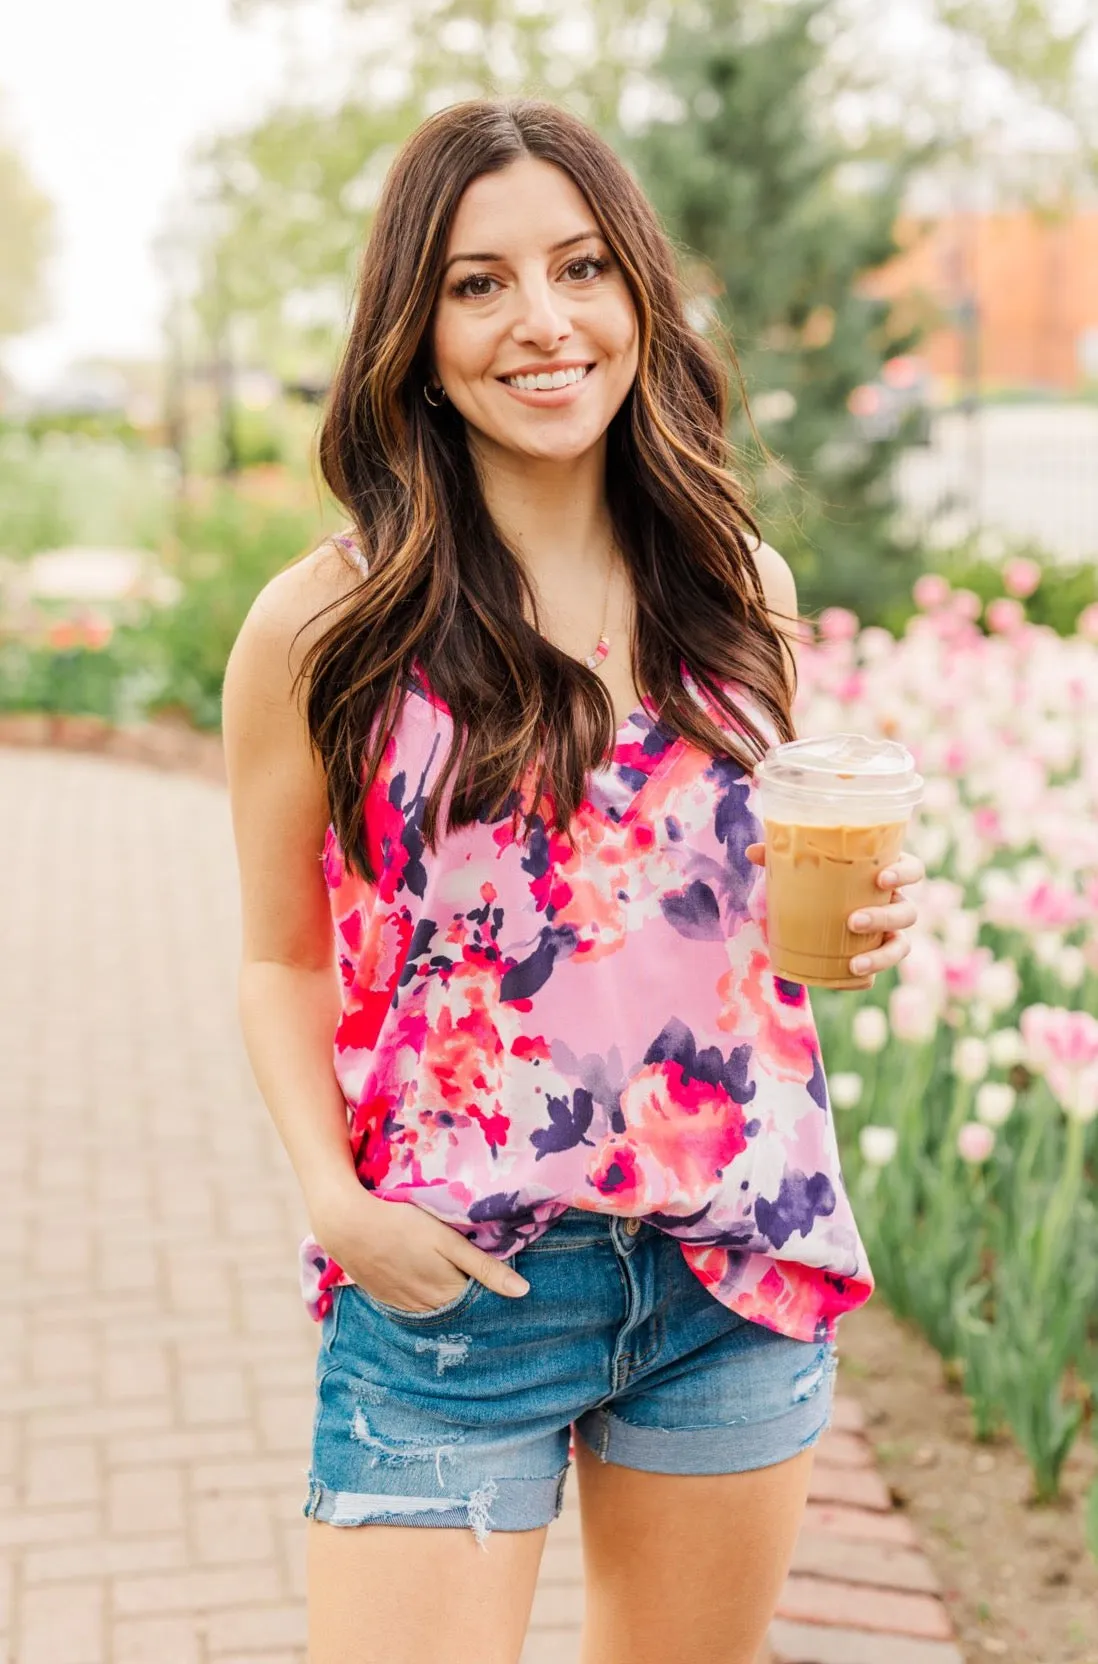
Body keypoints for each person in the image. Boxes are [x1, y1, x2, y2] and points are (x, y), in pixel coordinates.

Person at [221, 96, 923, 1664]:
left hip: (726, 1265)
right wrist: (340, 1208)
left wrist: (848, 934)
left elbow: (719, 925)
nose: (541, 322)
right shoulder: (320, 627)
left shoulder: (742, 585)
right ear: (415, 324)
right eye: (478, 283)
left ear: (637, 298)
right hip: (452, 1281)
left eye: (582, 267)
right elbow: (278, 956)